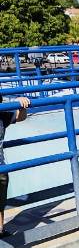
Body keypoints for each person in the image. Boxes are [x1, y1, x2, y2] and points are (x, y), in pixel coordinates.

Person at [0, 96, 30, 237]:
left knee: (1, 197)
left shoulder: (2, 114)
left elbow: (20, 118)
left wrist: (21, 105)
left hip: (0, 165)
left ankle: (0, 230)